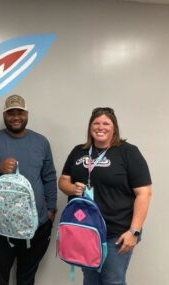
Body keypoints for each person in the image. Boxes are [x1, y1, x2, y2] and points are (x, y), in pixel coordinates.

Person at [58, 107, 152, 285]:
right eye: (96, 123)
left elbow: (144, 193)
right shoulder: (79, 151)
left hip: (116, 233)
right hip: (84, 230)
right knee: (91, 280)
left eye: (106, 123)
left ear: (114, 128)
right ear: (90, 127)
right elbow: (63, 180)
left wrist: (134, 231)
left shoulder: (128, 152)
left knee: (112, 281)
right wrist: (71, 189)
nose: (100, 127)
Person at [0, 94, 58, 285]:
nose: (15, 117)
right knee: (0, 278)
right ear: (5, 115)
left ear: (26, 114)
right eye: (10, 113)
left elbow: (49, 177)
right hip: (0, 227)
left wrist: (51, 210)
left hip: (37, 225)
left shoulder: (41, 142)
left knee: (27, 279)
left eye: (20, 112)